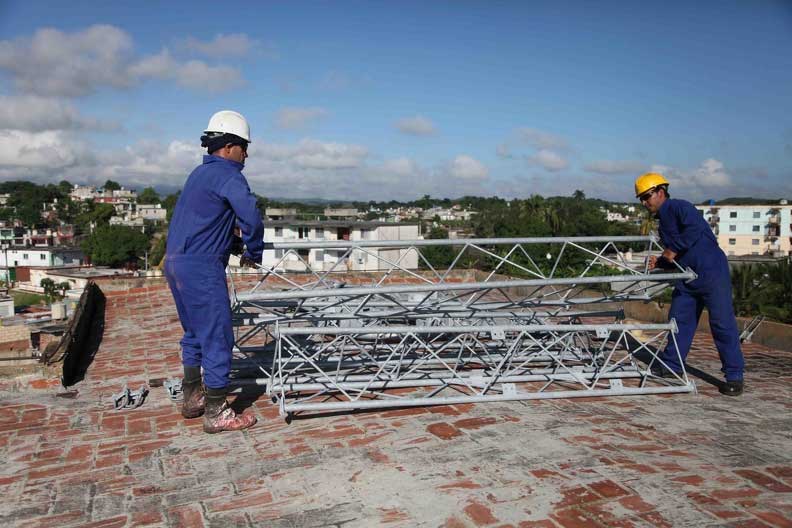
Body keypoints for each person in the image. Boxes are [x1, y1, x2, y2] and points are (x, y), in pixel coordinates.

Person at [164, 110, 264, 432]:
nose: (246, 154)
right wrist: (254, 250)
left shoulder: (199, 174)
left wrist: (228, 239)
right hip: (201, 267)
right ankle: (217, 411)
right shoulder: (229, 175)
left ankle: (192, 397)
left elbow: (207, 221)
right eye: (244, 147)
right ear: (230, 146)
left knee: (194, 333)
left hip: (176, 262)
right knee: (218, 336)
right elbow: (250, 215)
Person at [635, 172, 745, 396]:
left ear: (661, 192)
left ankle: (734, 376)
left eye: (647, 196)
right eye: (641, 199)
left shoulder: (680, 207)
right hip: (687, 277)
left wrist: (672, 249)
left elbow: (693, 230)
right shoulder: (662, 223)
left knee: (722, 323)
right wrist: (662, 262)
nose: (645, 202)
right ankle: (672, 365)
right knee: (679, 321)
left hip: (711, 273)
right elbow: (679, 253)